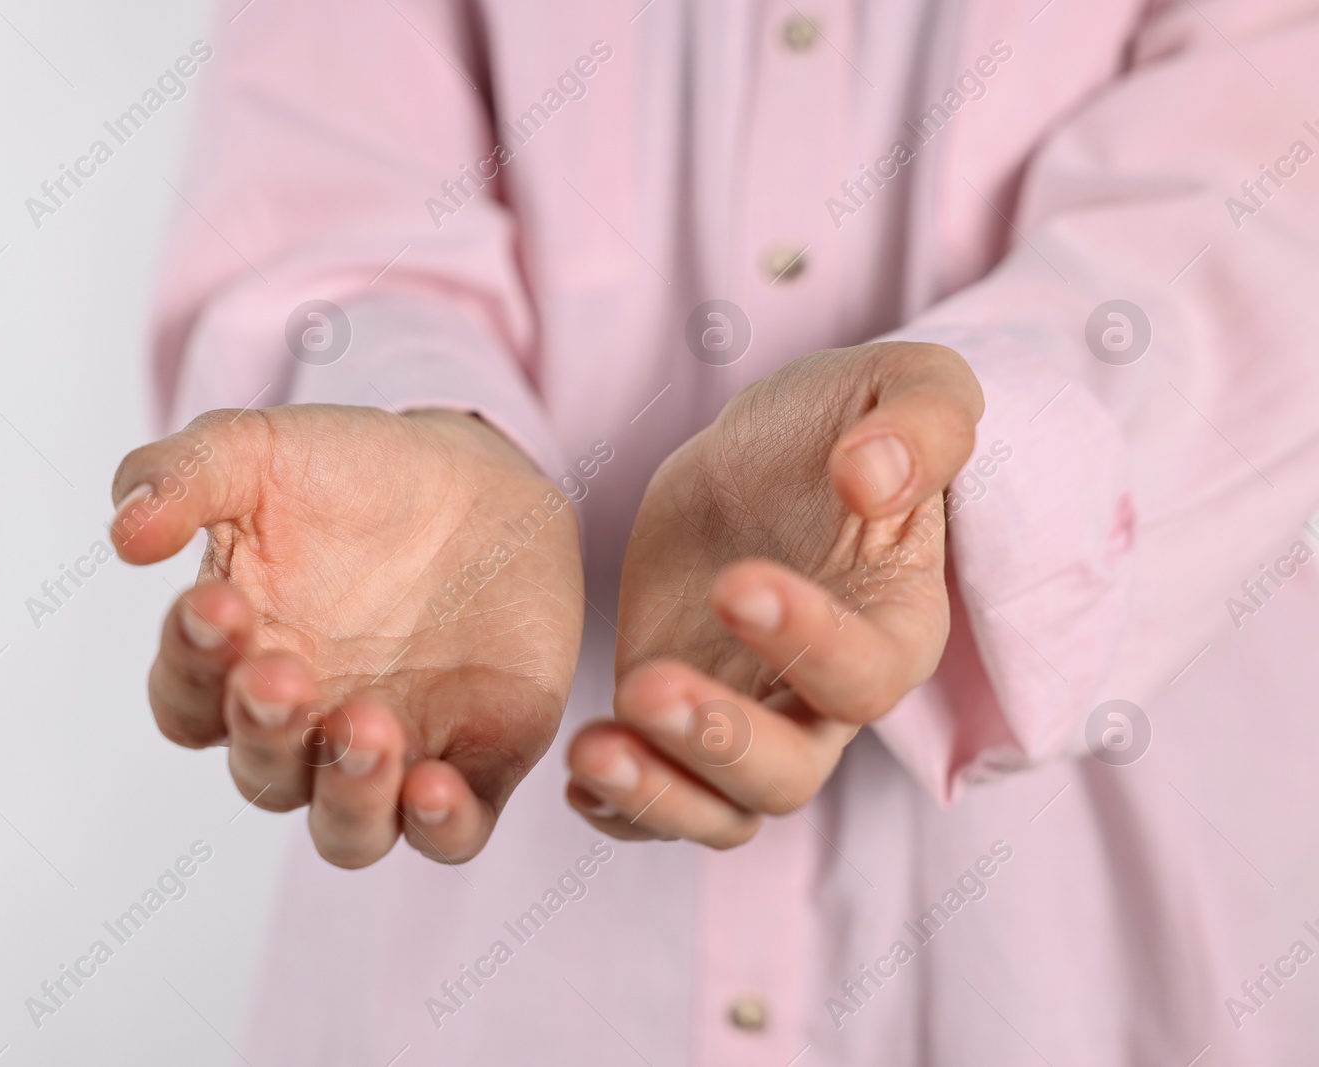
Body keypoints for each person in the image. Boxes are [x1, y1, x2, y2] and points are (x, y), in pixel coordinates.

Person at [109, 1, 1319, 1062]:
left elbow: (1266, 202)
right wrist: (419, 414)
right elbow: (331, 185)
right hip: (486, 942)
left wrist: (973, 459)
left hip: (1096, 939)